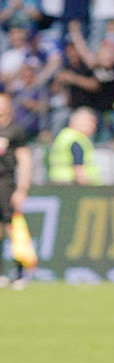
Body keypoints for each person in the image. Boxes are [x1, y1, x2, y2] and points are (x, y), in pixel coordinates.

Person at [0, 92, 32, 288]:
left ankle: (20, 272)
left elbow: (25, 160)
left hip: (7, 184)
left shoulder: (15, 131)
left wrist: (22, 188)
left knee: (14, 228)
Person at [48, 108, 101, 186]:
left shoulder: (65, 136)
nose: (93, 126)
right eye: (89, 121)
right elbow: (78, 168)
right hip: (72, 184)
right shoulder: (76, 140)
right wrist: (87, 187)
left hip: (59, 182)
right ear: (76, 122)